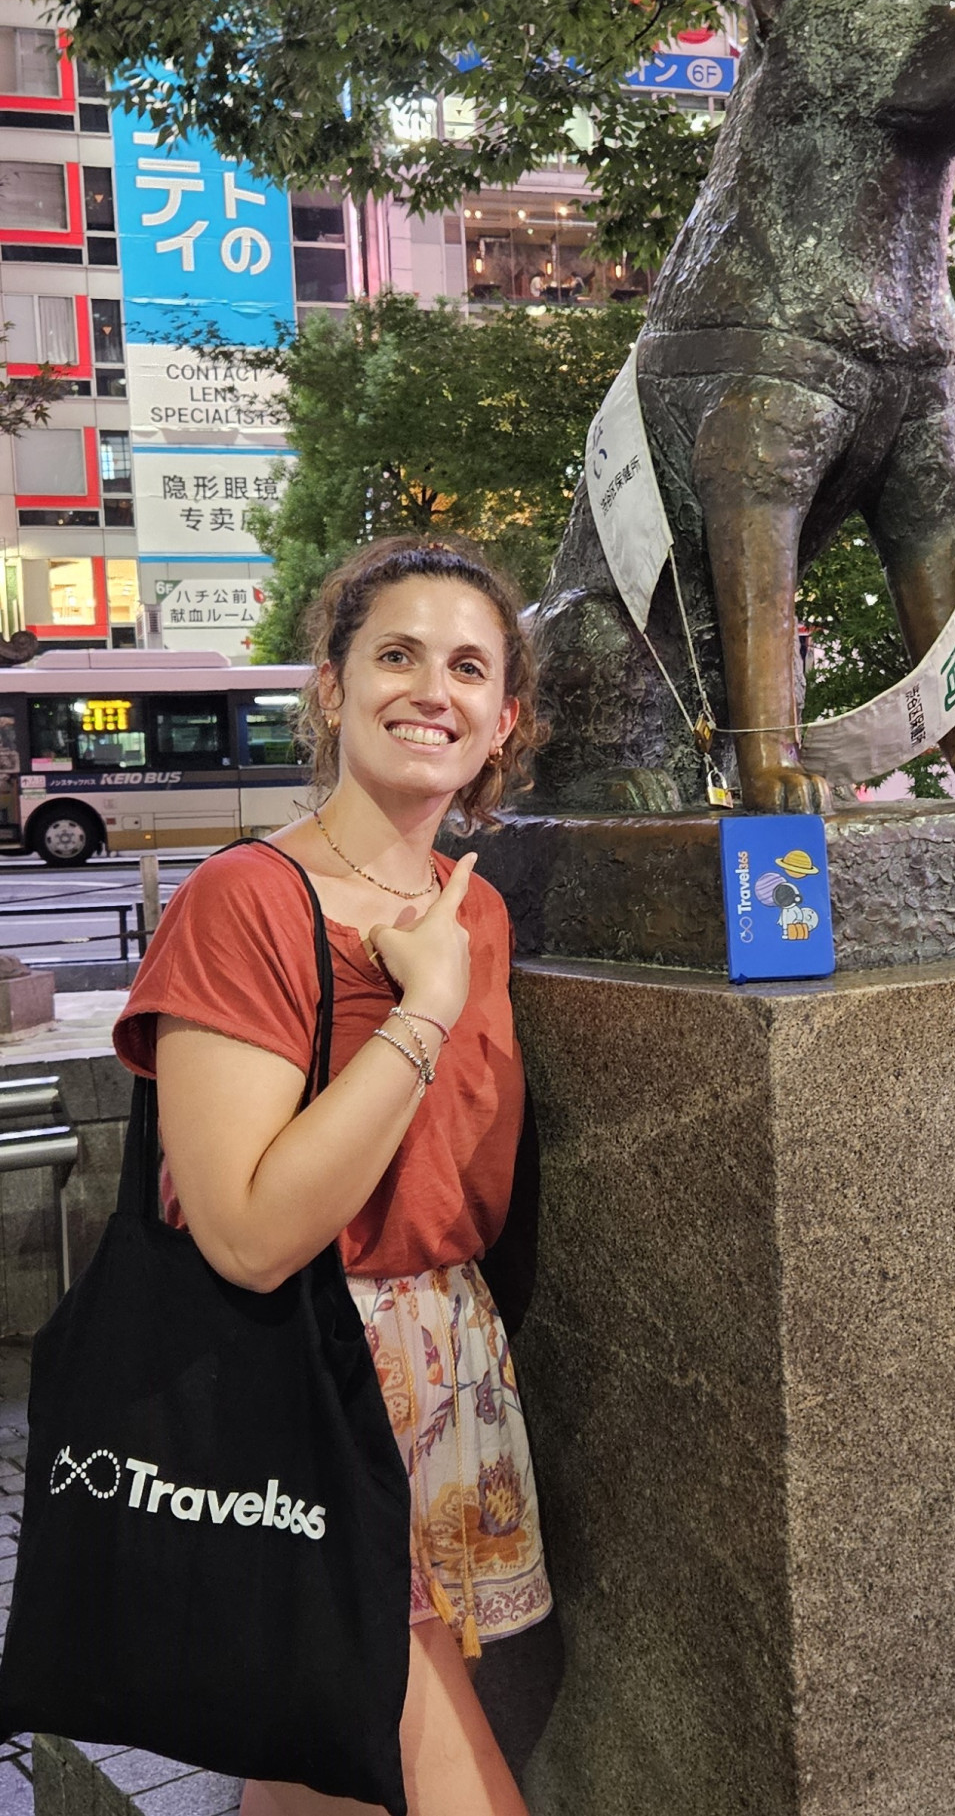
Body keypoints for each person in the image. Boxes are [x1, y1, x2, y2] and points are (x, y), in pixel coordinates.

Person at [113, 535, 552, 1816]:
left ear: (503, 721)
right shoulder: (247, 900)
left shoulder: (476, 909)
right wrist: (418, 1016)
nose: (435, 689)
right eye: (398, 654)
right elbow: (246, 1233)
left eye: (469, 667)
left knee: (324, 1779)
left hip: (446, 1361)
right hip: (303, 1377)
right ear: (331, 686)